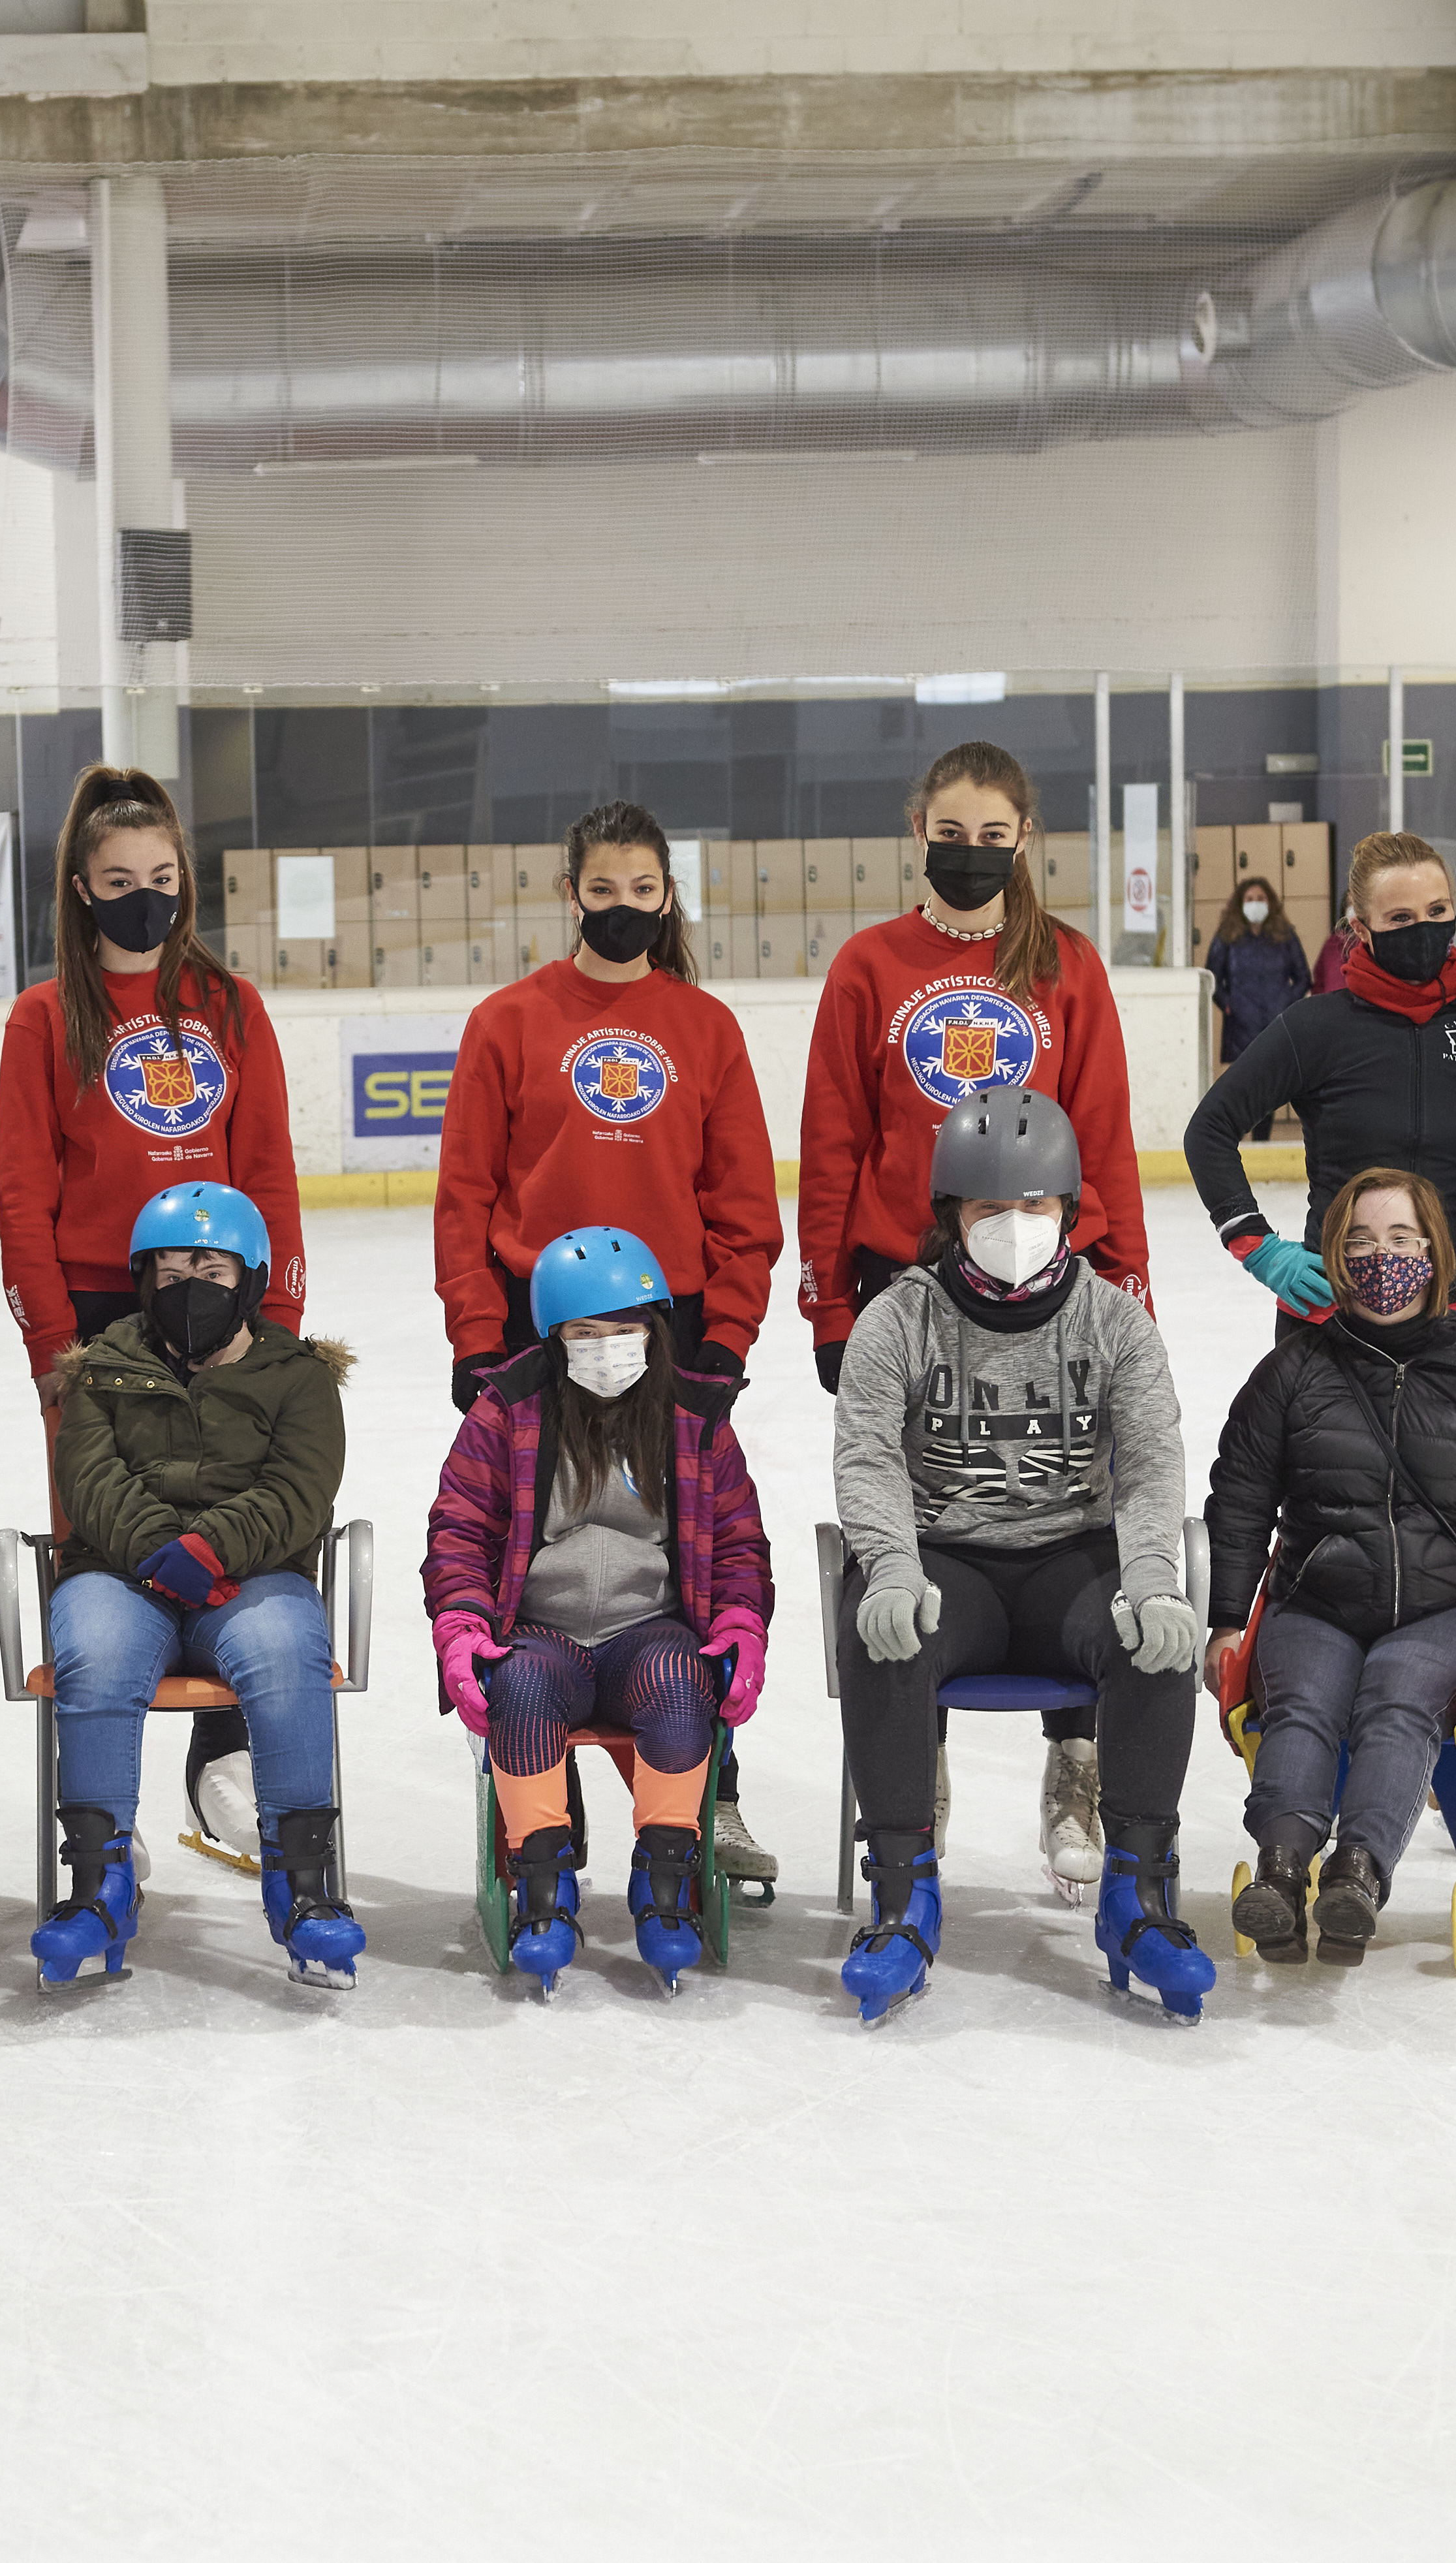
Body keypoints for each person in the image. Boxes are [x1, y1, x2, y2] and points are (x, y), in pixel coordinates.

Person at [799, 740, 1151, 1894]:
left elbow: (1102, 1139)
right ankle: (921, 1770)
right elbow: (833, 1142)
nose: (968, 853)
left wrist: (1128, 1289)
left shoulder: (1068, 966)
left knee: (1071, 1508)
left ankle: (1079, 1766)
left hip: (1055, 1296)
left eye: (990, 836)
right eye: (949, 834)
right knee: (923, 1522)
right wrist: (827, 1301)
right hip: (907, 1301)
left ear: (1022, 840)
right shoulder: (869, 965)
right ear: (918, 829)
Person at [432, 799, 783, 1893]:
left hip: (663, 1330)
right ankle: (547, 1787)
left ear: (667, 896)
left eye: (644, 892)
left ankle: (706, 1796)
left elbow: (742, 1205)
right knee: (540, 1542)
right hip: (538, 1328)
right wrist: (476, 1331)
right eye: (603, 890)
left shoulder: (705, 1028)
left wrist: (722, 1337)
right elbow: (464, 1198)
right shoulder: (508, 1022)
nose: (623, 908)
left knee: (677, 1559)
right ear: (569, 891)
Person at [829, 1088, 1208, 2027]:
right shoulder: (898, 1320)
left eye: (1034, 1206)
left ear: (1067, 1211)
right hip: (946, 1563)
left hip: (1069, 1566)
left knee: (1151, 1637)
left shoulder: (1116, 1323)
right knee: (884, 1633)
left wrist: (1153, 1577)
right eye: (990, 1208)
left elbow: (1154, 1461)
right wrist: (887, 1566)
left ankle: (1139, 1892)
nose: (1015, 1225)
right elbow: (868, 1453)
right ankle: (901, 1896)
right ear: (950, 1214)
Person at [0, 765, 305, 1889]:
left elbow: (265, 1167)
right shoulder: (43, 1017)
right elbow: (22, 1196)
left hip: (217, 1298)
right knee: (113, 1536)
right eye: (120, 880)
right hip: (94, 1311)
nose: (146, 897)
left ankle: (219, 1745)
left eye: (164, 878)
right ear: (81, 887)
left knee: (232, 1514)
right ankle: (102, 1805)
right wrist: (48, 1354)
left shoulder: (230, 1006)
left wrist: (276, 1319)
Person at [1201, 1166, 1456, 1964]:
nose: (1380, 1256)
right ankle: (1281, 1870)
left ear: (1435, 1253)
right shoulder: (1291, 1372)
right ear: (1333, 1255)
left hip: (1441, 1608)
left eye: (1401, 1238)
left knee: (1399, 1701)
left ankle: (1356, 1873)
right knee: (1302, 1702)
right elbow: (1238, 1500)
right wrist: (1227, 1618)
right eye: (1359, 1241)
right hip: (1317, 1598)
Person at [424, 1227, 772, 1995]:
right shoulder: (506, 1408)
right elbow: (458, 1529)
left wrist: (742, 1623)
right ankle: (544, 1885)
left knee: (683, 1687)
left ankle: (665, 1875)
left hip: (650, 1630)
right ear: (554, 1337)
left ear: (656, 1327)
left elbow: (739, 1539)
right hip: (542, 1633)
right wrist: (461, 1627)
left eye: (626, 1328)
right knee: (518, 1689)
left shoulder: (697, 1413)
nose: (609, 1345)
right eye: (586, 1332)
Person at [35, 1184, 362, 1992]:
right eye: (170, 1268)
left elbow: (300, 1489)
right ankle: (96, 1881)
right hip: (120, 1572)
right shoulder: (101, 1368)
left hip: (252, 1577)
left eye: (211, 1268)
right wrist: (158, 1549)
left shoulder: (299, 1375)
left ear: (249, 1279)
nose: (189, 1286)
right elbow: (88, 1475)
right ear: (143, 1278)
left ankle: (304, 1882)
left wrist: (210, 1547)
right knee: (98, 1658)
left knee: (287, 1653)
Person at [1183, 830, 1456, 1334]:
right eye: (1400, 918)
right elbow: (1209, 1129)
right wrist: (1257, 1247)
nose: (1422, 929)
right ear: (1361, 928)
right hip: (1330, 1317)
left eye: (1436, 910)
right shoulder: (1314, 1027)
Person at [1200, 871, 1309, 1139]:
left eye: (1261, 898)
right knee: (1243, 1087)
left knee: (1268, 1088)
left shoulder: (1285, 936)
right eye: (1250, 898)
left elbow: (1303, 977)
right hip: (1241, 1024)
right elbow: (1212, 979)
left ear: (1270, 902)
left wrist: (1286, 1004)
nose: (1256, 903)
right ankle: (1235, 1139)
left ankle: (1262, 1140)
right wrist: (1228, 1005)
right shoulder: (1227, 936)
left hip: (1275, 1023)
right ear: (1240, 903)